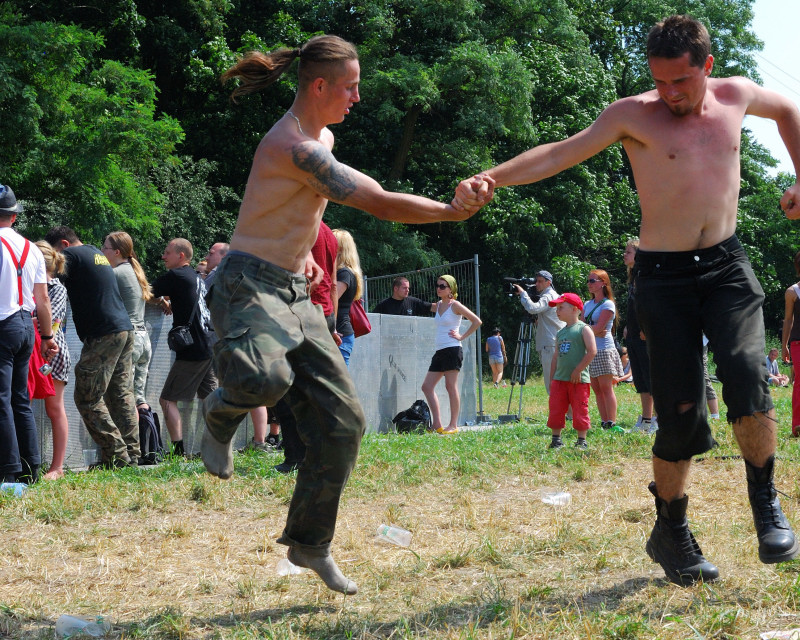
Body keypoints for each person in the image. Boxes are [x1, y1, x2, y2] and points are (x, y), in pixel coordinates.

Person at [457, 14, 800, 585]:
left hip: (725, 264)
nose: (668, 94)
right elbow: (560, 153)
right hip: (662, 276)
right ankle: (671, 529)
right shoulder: (631, 115)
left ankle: (765, 503)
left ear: (707, 68)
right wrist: (492, 177)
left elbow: (790, 111)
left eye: (681, 83)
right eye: (659, 81)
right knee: (682, 416)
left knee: (746, 374)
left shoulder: (737, 96)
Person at [200, 34, 491, 596]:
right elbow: (378, 200)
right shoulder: (296, 145)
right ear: (319, 86)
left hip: (293, 289)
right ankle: (220, 410)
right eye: (351, 87)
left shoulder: (321, 138)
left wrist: (306, 252)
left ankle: (310, 543)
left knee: (344, 424)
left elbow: (296, 205)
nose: (357, 97)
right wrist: (450, 213)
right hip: (247, 285)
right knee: (266, 377)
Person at [45, 225, 140, 469]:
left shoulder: (71, 257)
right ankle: (132, 453)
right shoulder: (95, 253)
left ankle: (117, 455)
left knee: (87, 397)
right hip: (123, 329)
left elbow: (47, 286)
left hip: (103, 334)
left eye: (54, 253)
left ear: (63, 245)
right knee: (121, 394)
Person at [0, 186, 56, 484]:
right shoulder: (31, 248)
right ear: (14, 215)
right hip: (26, 326)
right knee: (20, 399)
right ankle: (32, 466)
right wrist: (46, 338)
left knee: (1, 399)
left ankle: (8, 471)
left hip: (2, 324)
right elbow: (43, 298)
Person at [152, 238, 217, 456]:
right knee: (211, 399)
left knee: (167, 399)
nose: (163, 256)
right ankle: (219, 445)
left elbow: (145, 290)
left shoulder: (176, 275)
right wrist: (166, 300)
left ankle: (178, 452)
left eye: (167, 252)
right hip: (207, 344)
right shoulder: (195, 277)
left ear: (181, 256)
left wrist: (160, 300)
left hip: (192, 349)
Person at [421, 275, 482, 435]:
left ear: (451, 290)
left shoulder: (455, 305)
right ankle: (437, 424)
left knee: (450, 386)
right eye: (438, 285)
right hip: (440, 350)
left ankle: (453, 425)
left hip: (453, 349)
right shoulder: (439, 305)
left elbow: (477, 321)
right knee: (426, 387)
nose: (438, 288)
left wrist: (462, 336)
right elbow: (423, 305)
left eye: (443, 286)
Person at [101, 232, 154, 414]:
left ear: (116, 252)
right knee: (138, 399)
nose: (102, 251)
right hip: (143, 340)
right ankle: (145, 441)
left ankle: (127, 442)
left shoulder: (115, 273)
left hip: (129, 342)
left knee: (122, 399)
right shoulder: (134, 271)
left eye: (105, 247)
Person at [34, 241, 71, 480]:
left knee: (54, 408)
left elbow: (50, 321)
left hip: (52, 353)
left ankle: (57, 467)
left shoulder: (56, 287)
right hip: (30, 350)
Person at [546, 293, 596, 450]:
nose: (557, 311)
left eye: (561, 308)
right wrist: (552, 378)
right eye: (557, 308)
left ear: (575, 309)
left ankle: (581, 441)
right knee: (556, 409)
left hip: (578, 380)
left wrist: (578, 370)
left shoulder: (584, 329)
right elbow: (555, 357)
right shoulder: (560, 333)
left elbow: (592, 351)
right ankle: (556, 439)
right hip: (560, 380)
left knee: (580, 408)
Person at [582, 269, 623, 431]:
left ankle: (611, 422)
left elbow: (599, 327)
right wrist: (594, 329)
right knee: (597, 389)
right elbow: (583, 327)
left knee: (606, 388)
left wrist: (591, 329)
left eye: (593, 281)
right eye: (589, 281)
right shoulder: (587, 304)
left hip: (604, 350)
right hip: (590, 350)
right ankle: (604, 421)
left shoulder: (608, 304)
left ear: (603, 283)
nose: (589, 284)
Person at [623, 238, 656, 432]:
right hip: (634, 334)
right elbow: (633, 306)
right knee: (641, 380)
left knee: (652, 379)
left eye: (628, 252)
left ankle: (660, 421)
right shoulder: (632, 276)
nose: (624, 255)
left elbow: (651, 305)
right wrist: (629, 326)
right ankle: (646, 420)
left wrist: (646, 328)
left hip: (645, 335)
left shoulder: (645, 276)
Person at [513, 270, 564, 393]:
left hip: (550, 344)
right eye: (536, 281)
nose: (537, 284)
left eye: (540, 281)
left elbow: (532, 308)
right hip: (552, 342)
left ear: (548, 282)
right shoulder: (552, 295)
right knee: (556, 382)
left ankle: (559, 411)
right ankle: (564, 412)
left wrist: (523, 294)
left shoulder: (548, 296)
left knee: (551, 383)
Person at [331, 229, 363, 366]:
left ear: (340, 249)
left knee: (337, 382)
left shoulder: (344, 273)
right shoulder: (346, 272)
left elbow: (331, 299)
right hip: (339, 333)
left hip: (339, 334)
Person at [782, 251, 800, 435]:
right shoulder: (792, 291)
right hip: (798, 343)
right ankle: (797, 425)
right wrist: (784, 345)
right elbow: (788, 320)